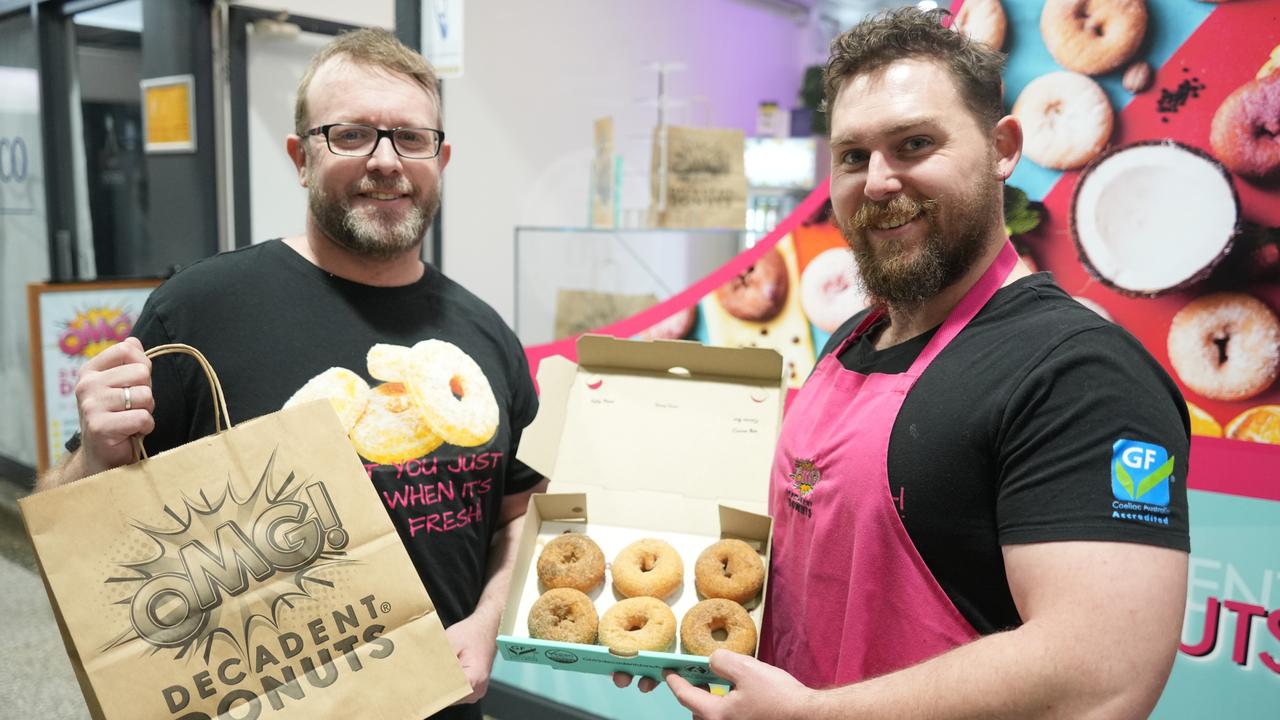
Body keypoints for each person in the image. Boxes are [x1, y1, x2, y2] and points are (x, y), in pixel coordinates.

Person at [618, 9, 1190, 718]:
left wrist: (811, 717)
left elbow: (1101, 673)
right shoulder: (852, 341)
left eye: (914, 144)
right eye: (853, 156)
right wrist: (684, 625)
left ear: (1002, 146)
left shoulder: (1079, 376)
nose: (880, 181)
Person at [37, 29, 545, 720]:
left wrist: (488, 621)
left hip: (446, 704)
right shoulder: (199, 312)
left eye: (410, 138)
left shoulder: (486, 336)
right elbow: (82, 535)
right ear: (300, 157)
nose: (386, 161)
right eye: (351, 135)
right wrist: (94, 455)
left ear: (441, 158)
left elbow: (520, 515)